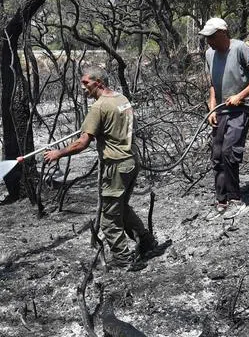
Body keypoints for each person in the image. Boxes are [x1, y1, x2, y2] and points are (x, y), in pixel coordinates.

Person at [44, 68, 169, 269]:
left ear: (99, 83)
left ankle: (123, 259)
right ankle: (146, 243)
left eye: (86, 83)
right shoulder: (121, 99)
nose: (83, 87)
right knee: (121, 207)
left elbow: (82, 143)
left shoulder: (99, 107)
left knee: (109, 218)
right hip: (130, 161)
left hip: (117, 166)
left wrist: (58, 153)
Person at [200, 17, 249, 214]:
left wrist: (240, 96)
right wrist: (212, 108)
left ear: (222, 33)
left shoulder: (240, 48)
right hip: (221, 110)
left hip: (241, 108)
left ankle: (235, 198)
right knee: (217, 154)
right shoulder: (209, 54)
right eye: (207, 38)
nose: (209, 41)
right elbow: (213, 84)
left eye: (211, 37)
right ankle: (221, 200)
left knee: (230, 152)